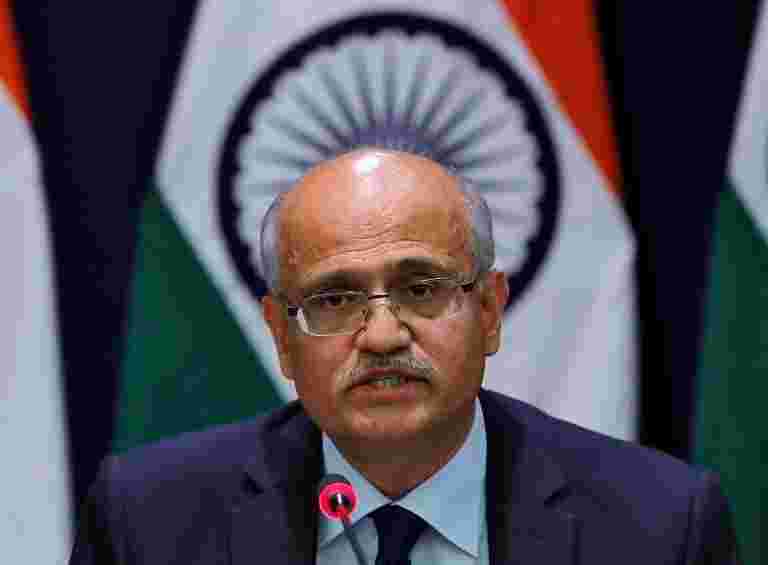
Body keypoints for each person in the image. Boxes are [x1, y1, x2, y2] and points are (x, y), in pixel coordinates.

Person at [70, 149, 739, 564]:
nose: (383, 335)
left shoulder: (659, 529)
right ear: (281, 334)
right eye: (335, 299)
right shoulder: (147, 525)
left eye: (421, 289)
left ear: (489, 310)